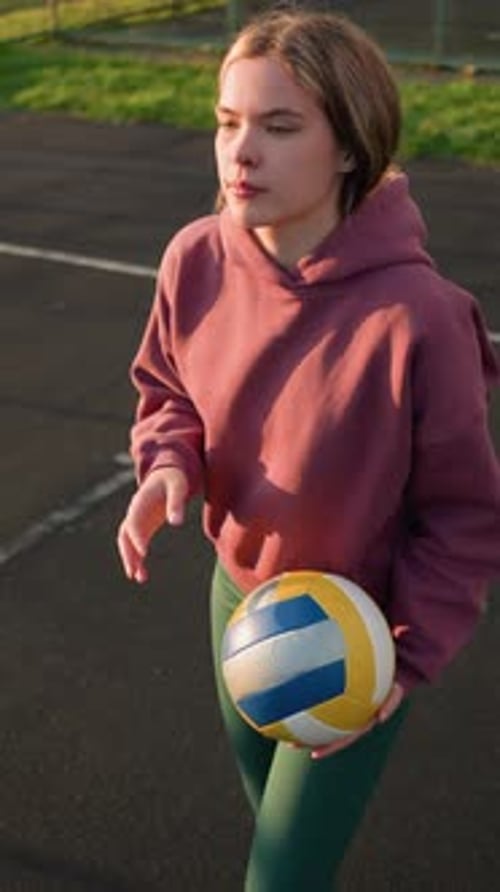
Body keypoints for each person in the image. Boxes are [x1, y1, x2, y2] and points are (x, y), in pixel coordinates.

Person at [117, 9, 500, 890]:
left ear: (350, 149)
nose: (240, 153)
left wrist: (403, 657)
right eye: (228, 122)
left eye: (280, 127)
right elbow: (167, 387)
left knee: (279, 876)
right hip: (238, 604)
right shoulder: (194, 258)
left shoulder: (421, 319)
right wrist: (168, 462)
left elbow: (464, 518)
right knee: (280, 839)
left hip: (353, 636)